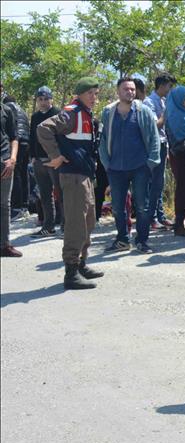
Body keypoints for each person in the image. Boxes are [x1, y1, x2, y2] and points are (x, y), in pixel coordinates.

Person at [37, 77, 105, 288]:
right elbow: (43, 128)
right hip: (74, 176)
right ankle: (71, 272)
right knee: (76, 223)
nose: (94, 97)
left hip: (84, 175)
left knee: (88, 222)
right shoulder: (72, 112)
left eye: (95, 93)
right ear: (80, 94)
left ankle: (81, 263)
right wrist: (55, 156)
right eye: (89, 93)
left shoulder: (86, 113)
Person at [99, 77, 161, 254]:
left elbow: (154, 138)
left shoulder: (144, 111)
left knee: (142, 206)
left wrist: (151, 163)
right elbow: (103, 140)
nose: (130, 92)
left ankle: (142, 241)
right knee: (118, 208)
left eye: (132, 89)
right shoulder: (108, 112)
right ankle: (122, 240)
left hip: (140, 167)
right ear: (118, 91)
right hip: (116, 169)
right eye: (126, 89)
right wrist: (106, 163)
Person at [143, 72, 177, 231]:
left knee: (160, 182)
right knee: (155, 182)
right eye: (169, 86)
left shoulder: (163, 101)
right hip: (154, 146)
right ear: (162, 86)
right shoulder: (149, 102)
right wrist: (166, 111)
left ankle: (160, 215)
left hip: (164, 144)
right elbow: (155, 125)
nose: (170, 90)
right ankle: (151, 217)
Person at [29, 86, 63, 238]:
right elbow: (32, 136)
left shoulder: (57, 113)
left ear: (51, 99)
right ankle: (48, 226)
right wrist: (33, 156)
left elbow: (62, 137)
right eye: (40, 99)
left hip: (54, 160)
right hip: (39, 161)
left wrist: (59, 157)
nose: (43, 102)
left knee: (61, 193)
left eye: (46, 99)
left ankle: (65, 226)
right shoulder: (35, 116)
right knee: (44, 195)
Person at [165, 86, 185, 237]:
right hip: (180, 156)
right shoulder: (174, 116)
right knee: (183, 189)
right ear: (177, 100)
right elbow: (178, 139)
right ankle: (179, 224)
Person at [2, 93, 31, 221]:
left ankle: (16, 207)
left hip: (17, 142)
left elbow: (10, 130)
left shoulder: (7, 108)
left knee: (16, 174)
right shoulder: (22, 110)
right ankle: (25, 205)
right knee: (24, 173)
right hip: (27, 142)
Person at [1, 98, 21, 257]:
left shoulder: (6, 110)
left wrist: (13, 159)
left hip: (5, 162)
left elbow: (14, 137)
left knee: (4, 205)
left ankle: (4, 245)